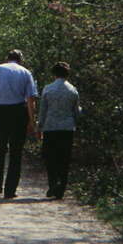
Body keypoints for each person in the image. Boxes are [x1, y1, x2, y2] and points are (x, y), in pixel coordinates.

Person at [0, 49, 38, 199]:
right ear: (20, 59)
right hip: (19, 112)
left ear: (7, 58)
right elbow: (30, 99)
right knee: (16, 151)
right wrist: (32, 121)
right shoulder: (26, 73)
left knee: (0, 147)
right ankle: (10, 189)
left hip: (1, 111)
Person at [38, 61, 81, 199]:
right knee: (64, 158)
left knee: (50, 158)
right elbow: (76, 112)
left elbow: (43, 110)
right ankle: (61, 188)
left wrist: (40, 126)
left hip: (50, 127)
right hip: (67, 128)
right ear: (67, 74)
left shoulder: (48, 89)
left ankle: (52, 184)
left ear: (54, 74)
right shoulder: (73, 90)